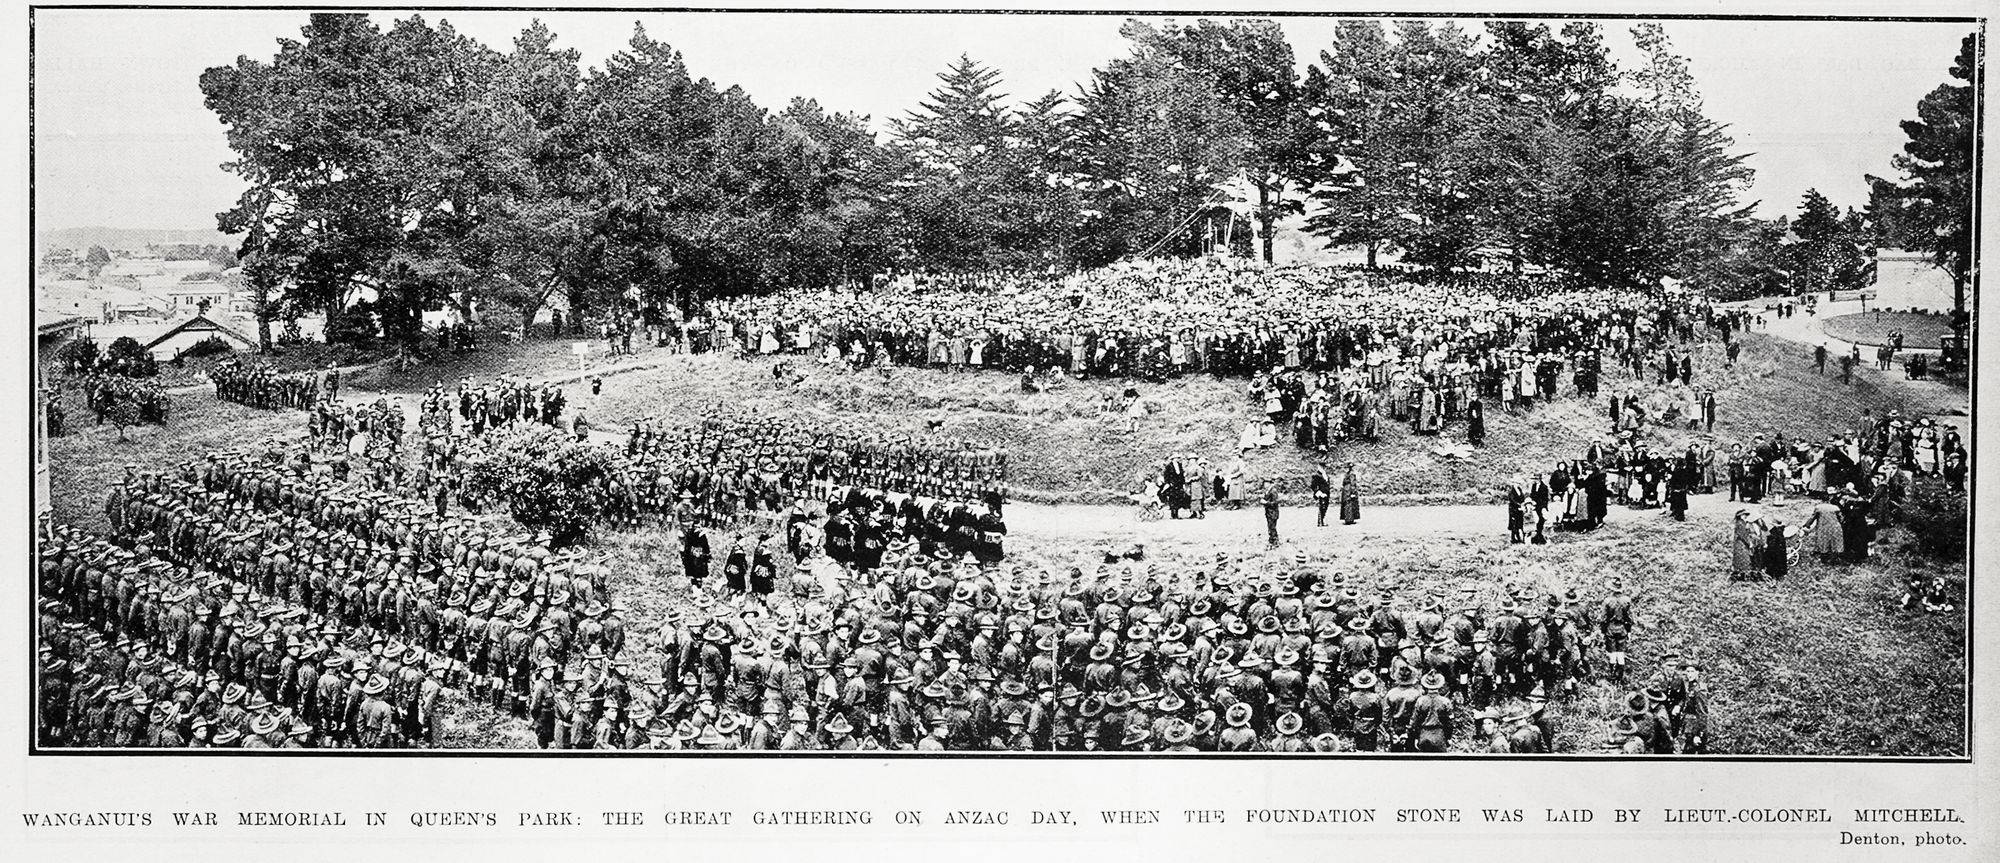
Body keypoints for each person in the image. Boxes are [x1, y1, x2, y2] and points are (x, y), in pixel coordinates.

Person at [1261, 483, 1282, 549]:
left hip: (1273, 513)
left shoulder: (1273, 491)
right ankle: (1272, 541)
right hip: (1269, 512)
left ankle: (1275, 542)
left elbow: (1276, 502)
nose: (1264, 485)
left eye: (1265, 483)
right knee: (1270, 527)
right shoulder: (1268, 491)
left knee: (1272, 527)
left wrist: (1266, 503)